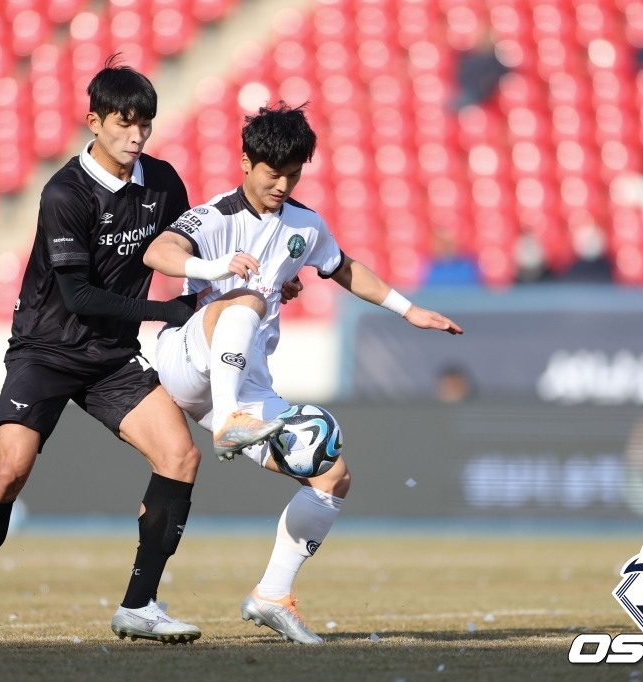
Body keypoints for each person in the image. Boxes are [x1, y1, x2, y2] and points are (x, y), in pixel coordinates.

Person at [143, 103, 463, 644]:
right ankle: (231, 420)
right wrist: (212, 268)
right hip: (186, 360)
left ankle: (271, 594)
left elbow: (344, 267)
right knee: (242, 296)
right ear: (246, 162)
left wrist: (409, 310)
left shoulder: (305, 225)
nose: (283, 184)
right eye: (274, 173)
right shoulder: (215, 216)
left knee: (333, 476)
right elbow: (160, 250)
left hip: (244, 383)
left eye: (293, 174)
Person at [0, 60, 215, 646]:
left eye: (145, 122)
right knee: (10, 470)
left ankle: (139, 606)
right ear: (94, 121)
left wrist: (244, 283)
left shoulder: (164, 184)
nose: (137, 134)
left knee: (180, 457)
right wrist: (169, 313)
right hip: (46, 349)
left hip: (112, 357)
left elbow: (193, 250)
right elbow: (78, 294)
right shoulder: (64, 193)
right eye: (125, 121)